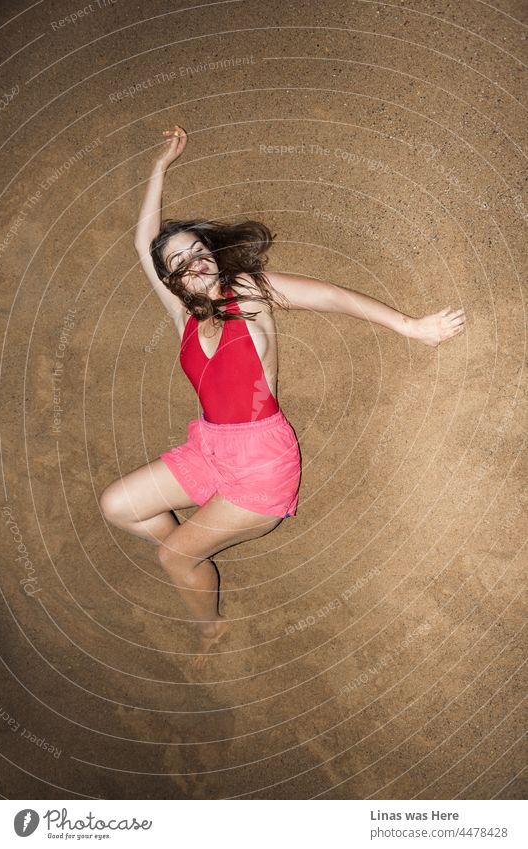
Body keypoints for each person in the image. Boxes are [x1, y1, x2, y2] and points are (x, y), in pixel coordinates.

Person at [99, 126, 466, 668]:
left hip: (262, 465)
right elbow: (141, 244)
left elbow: (332, 295)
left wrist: (411, 326)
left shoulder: (246, 292)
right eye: (178, 261)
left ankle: (210, 625)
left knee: (174, 557)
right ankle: (193, 545)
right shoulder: (180, 314)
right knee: (116, 506)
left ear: (214, 257)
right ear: (171, 279)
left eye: (198, 251)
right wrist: (160, 167)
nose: (193, 263)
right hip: (211, 448)